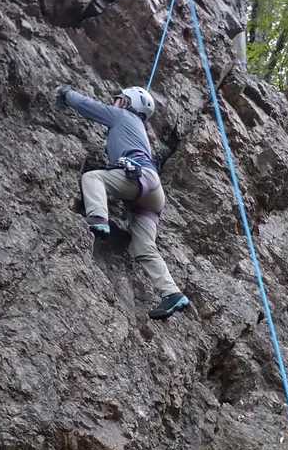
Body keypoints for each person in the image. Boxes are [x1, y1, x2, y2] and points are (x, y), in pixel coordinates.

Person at [55, 83, 190, 320]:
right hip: (153, 194)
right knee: (143, 247)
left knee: (93, 177)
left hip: (139, 179)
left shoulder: (122, 116)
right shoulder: (138, 130)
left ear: (127, 103)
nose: (114, 102)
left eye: (119, 99)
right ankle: (172, 293)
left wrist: (66, 93)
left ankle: (98, 219)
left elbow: (88, 106)